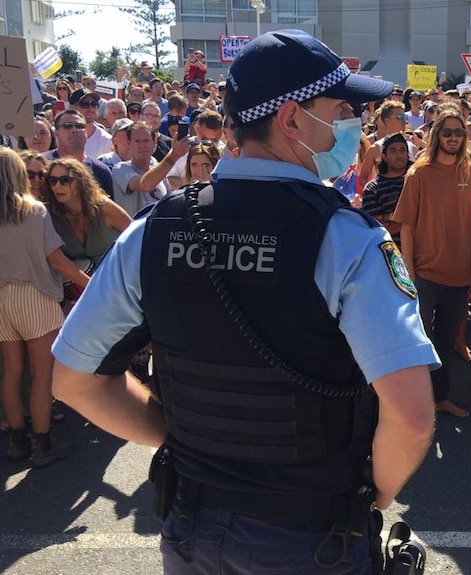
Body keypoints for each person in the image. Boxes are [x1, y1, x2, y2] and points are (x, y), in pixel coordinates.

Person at [51, 29, 437, 574]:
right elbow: (413, 418)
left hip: (191, 525)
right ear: (292, 120)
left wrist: (180, 439)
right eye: (341, 106)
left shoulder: (152, 230)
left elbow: (72, 378)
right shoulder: (349, 239)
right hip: (314, 535)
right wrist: (376, 493)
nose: (355, 121)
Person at [392, 107, 471, 418]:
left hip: (460, 276)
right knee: (420, 343)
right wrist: (409, 273)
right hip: (425, 275)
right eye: (447, 132)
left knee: (445, 344)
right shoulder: (418, 174)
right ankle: (414, 403)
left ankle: (440, 398)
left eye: (459, 132)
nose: (454, 138)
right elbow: (406, 226)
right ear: (436, 136)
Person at [0, 148, 86, 466]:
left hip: (2, 299)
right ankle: (42, 443)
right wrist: (90, 284)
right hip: (34, 296)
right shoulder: (33, 210)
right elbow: (56, 259)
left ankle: (17, 442)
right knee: (41, 372)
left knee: (12, 371)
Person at [361, 133, 410, 246]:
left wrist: (392, 217)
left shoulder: (417, 181)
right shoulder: (373, 189)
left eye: (403, 150)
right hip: (392, 255)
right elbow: (377, 230)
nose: (399, 155)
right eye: (393, 151)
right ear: (384, 156)